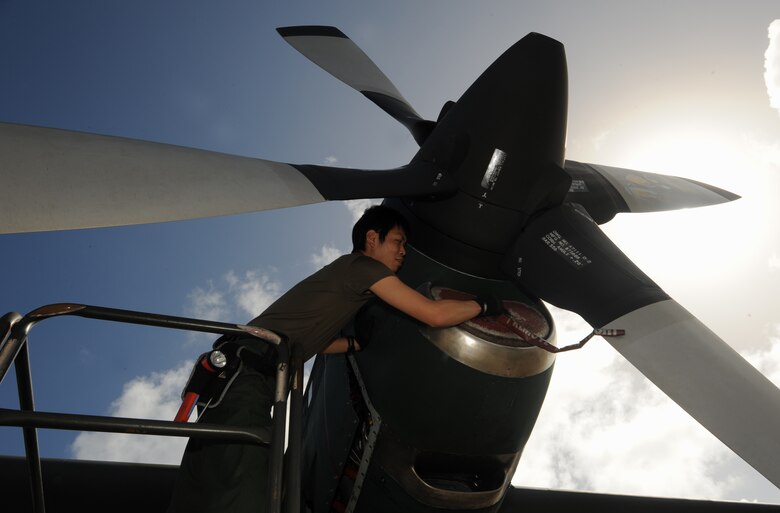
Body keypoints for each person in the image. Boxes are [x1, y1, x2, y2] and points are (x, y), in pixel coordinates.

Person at [167, 205, 502, 513]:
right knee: (244, 482)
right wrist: (484, 306)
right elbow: (432, 314)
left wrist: (356, 344)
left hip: (244, 374)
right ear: (373, 238)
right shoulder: (363, 268)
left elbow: (316, 344)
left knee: (212, 478)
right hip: (247, 370)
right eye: (398, 242)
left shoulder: (345, 279)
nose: (403, 252)